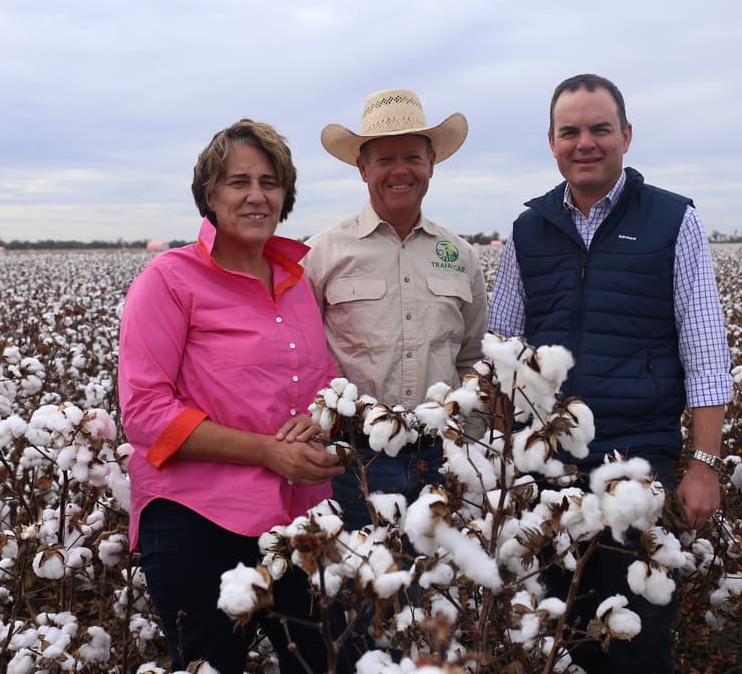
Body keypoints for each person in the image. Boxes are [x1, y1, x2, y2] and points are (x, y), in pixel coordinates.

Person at [488, 74, 732, 673]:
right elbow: (503, 351)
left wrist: (703, 465)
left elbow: (705, 351)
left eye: (600, 129)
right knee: (558, 637)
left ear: (626, 135)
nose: (585, 143)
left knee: (636, 643)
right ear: (551, 142)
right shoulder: (528, 229)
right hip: (547, 468)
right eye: (570, 131)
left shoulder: (673, 221)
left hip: (639, 464)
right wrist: (497, 459)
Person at [118, 119, 346, 673]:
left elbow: (321, 389)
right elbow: (145, 412)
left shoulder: (299, 281)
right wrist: (268, 452)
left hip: (298, 517)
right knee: (209, 663)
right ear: (210, 195)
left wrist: (322, 425)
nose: (256, 195)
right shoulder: (170, 278)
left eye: (270, 182)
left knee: (327, 660)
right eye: (238, 181)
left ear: (285, 196)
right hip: (195, 519)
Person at [303, 88, 489, 531]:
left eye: (411, 157)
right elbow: (297, 358)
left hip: (441, 455)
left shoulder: (460, 254)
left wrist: (471, 446)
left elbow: (472, 357)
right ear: (362, 168)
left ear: (431, 165)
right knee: (363, 591)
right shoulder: (321, 254)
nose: (399, 171)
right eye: (384, 160)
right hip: (354, 460)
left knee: (438, 591)